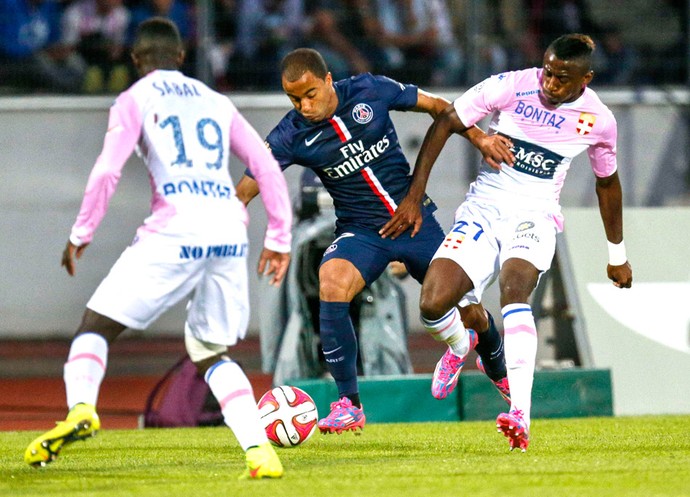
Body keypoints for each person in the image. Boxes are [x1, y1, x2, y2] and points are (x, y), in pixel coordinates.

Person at [23, 17, 293, 480]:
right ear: (182, 58)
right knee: (211, 351)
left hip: (176, 228)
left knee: (95, 327)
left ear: (135, 60)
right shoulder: (215, 100)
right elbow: (265, 165)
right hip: (229, 228)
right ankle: (259, 452)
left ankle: (82, 408)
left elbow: (108, 170)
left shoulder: (134, 99)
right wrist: (279, 238)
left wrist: (81, 233)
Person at [235, 47, 510, 435]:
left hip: (414, 221)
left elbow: (441, 109)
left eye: (310, 94)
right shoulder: (290, 134)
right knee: (331, 281)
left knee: (470, 312)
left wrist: (480, 138)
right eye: (294, 99)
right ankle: (349, 404)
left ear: (328, 80)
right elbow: (247, 188)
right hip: (361, 232)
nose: (303, 106)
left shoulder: (371, 89)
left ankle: (498, 370)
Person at [404, 33, 633, 452]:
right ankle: (460, 344)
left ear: (586, 79)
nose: (550, 82)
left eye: (562, 78)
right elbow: (447, 120)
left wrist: (617, 254)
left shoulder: (599, 120)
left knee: (514, 290)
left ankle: (521, 416)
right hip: (483, 209)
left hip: (535, 216)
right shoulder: (511, 85)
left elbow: (608, 184)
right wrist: (415, 197)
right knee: (432, 304)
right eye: (547, 71)